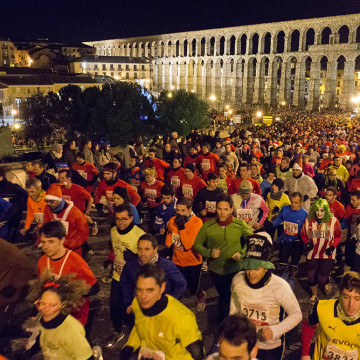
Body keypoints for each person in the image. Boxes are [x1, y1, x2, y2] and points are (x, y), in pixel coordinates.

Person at [230, 231, 302, 360]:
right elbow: (234, 308)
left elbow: (296, 314)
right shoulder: (237, 280)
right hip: (245, 342)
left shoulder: (280, 286)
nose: (251, 273)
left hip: (270, 347)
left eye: (256, 268)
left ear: (266, 267)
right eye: (247, 267)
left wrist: (275, 331)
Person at [120, 263, 203, 360]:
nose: (143, 296)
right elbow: (140, 325)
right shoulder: (137, 304)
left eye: (150, 290)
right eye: (139, 290)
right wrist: (130, 346)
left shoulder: (181, 318)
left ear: (162, 287)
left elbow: (197, 355)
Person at [193, 196, 252, 323]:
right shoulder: (208, 226)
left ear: (231, 210)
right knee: (225, 295)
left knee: (229, 297)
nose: (222, 212)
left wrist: (241, 254)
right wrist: (209, 253)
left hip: (235, 268)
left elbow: (251, 240)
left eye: (225, 209)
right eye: (219, 209)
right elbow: (197, 244)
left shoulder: (239, 224)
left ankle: (226, 323)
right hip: (216, 270)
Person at [17, 272, 96, 360]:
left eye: (53, 305)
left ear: (62, 305)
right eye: (43, 303)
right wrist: (26, 355)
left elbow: (87, 358)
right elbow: (43, 339)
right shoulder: (45, 319)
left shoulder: (71, 331)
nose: (46, 308)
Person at [37, 221, 99, 325]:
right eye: (43, 242)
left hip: (75, 318)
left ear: (62, 240)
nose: (46, 246)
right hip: (53, 316)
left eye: (51, 242)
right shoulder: (42, 261)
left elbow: (95, 288)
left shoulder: (76, 262)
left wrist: (70, 296)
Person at [106, 203, 145, 347]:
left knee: (134, 308)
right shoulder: (113, 231)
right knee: (114, 305)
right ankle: (118, 331)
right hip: (117, 277)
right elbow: (114, 249)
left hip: (134, 280)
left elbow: (150, 259)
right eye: (118, 219)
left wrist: (135, 258)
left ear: (130, 218)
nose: (120, 222)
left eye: (124, 219)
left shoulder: (139, 235)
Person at [301, 271, 360, 360]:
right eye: (346, 297)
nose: (351, 304)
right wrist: (305, 354)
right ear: (340, 294)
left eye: (357, 299)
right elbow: (308, 324)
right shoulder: (321, 308)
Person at [165, 197, 206, 311]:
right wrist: (168, 245)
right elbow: (170, 233)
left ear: (189, 209)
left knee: (193, 288)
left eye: (183, 210)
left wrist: (181, 227)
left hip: (193, 261)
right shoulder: (173, 220)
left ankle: (201, 295)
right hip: (177, 260)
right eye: (178, 210)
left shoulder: (197, 222)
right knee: (177, 285)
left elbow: (188, 245)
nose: (180, 213)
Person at [300, 198, 342, 304]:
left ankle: (326, 281)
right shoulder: (308, 221)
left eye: (322, 210)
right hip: (312, 253)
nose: (319, 213)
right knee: (311, 275)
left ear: (326, 210)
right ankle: (314, 294)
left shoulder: (333, 221)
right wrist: (306, 243)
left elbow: (338, 236)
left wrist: (332, 247)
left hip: (327, 254)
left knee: (322, 278)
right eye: (317, 210)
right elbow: (303, 234)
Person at [0, 239, 34, 355]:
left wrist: (15, 286)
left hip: (5, 298)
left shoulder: (5, 249)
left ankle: (5, 349)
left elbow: (28, 266)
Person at [43, 184, 89, 256]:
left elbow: (83, 232)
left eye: (52, 201)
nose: (49, 204)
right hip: (53, 249)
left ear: (59, 199)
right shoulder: (47, 209)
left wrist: (68, 243)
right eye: (47, 201)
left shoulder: (75, 212)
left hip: (72, 250)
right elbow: (45, 227)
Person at [271, 192, 308, 280]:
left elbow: (306, 230)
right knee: (282, 262)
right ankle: (282, 274)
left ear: (301, 203)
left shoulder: (305, 214)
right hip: (285, 240)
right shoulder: (284, 209)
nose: (293, 205)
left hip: (297, 242)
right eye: (292, 202)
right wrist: (270, 225)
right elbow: (278, 220)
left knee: (294, 264)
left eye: (296, 203)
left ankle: (293, 272)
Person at [58, 169, 98, 236]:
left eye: (62, 178)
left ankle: (93, 224)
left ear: (69, 178)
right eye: (59, 178)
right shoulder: (59, 188)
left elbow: (90, 199)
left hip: (78, 213)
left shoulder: (78, 189)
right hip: (66, 213)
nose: (60, 180)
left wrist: (87, 212)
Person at [0, 167, 28, 242]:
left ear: (1, 177)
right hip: (3, 217)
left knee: (9, 240)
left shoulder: (14, 187)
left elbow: (26, 196)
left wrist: (20, 207)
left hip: (13, 216)